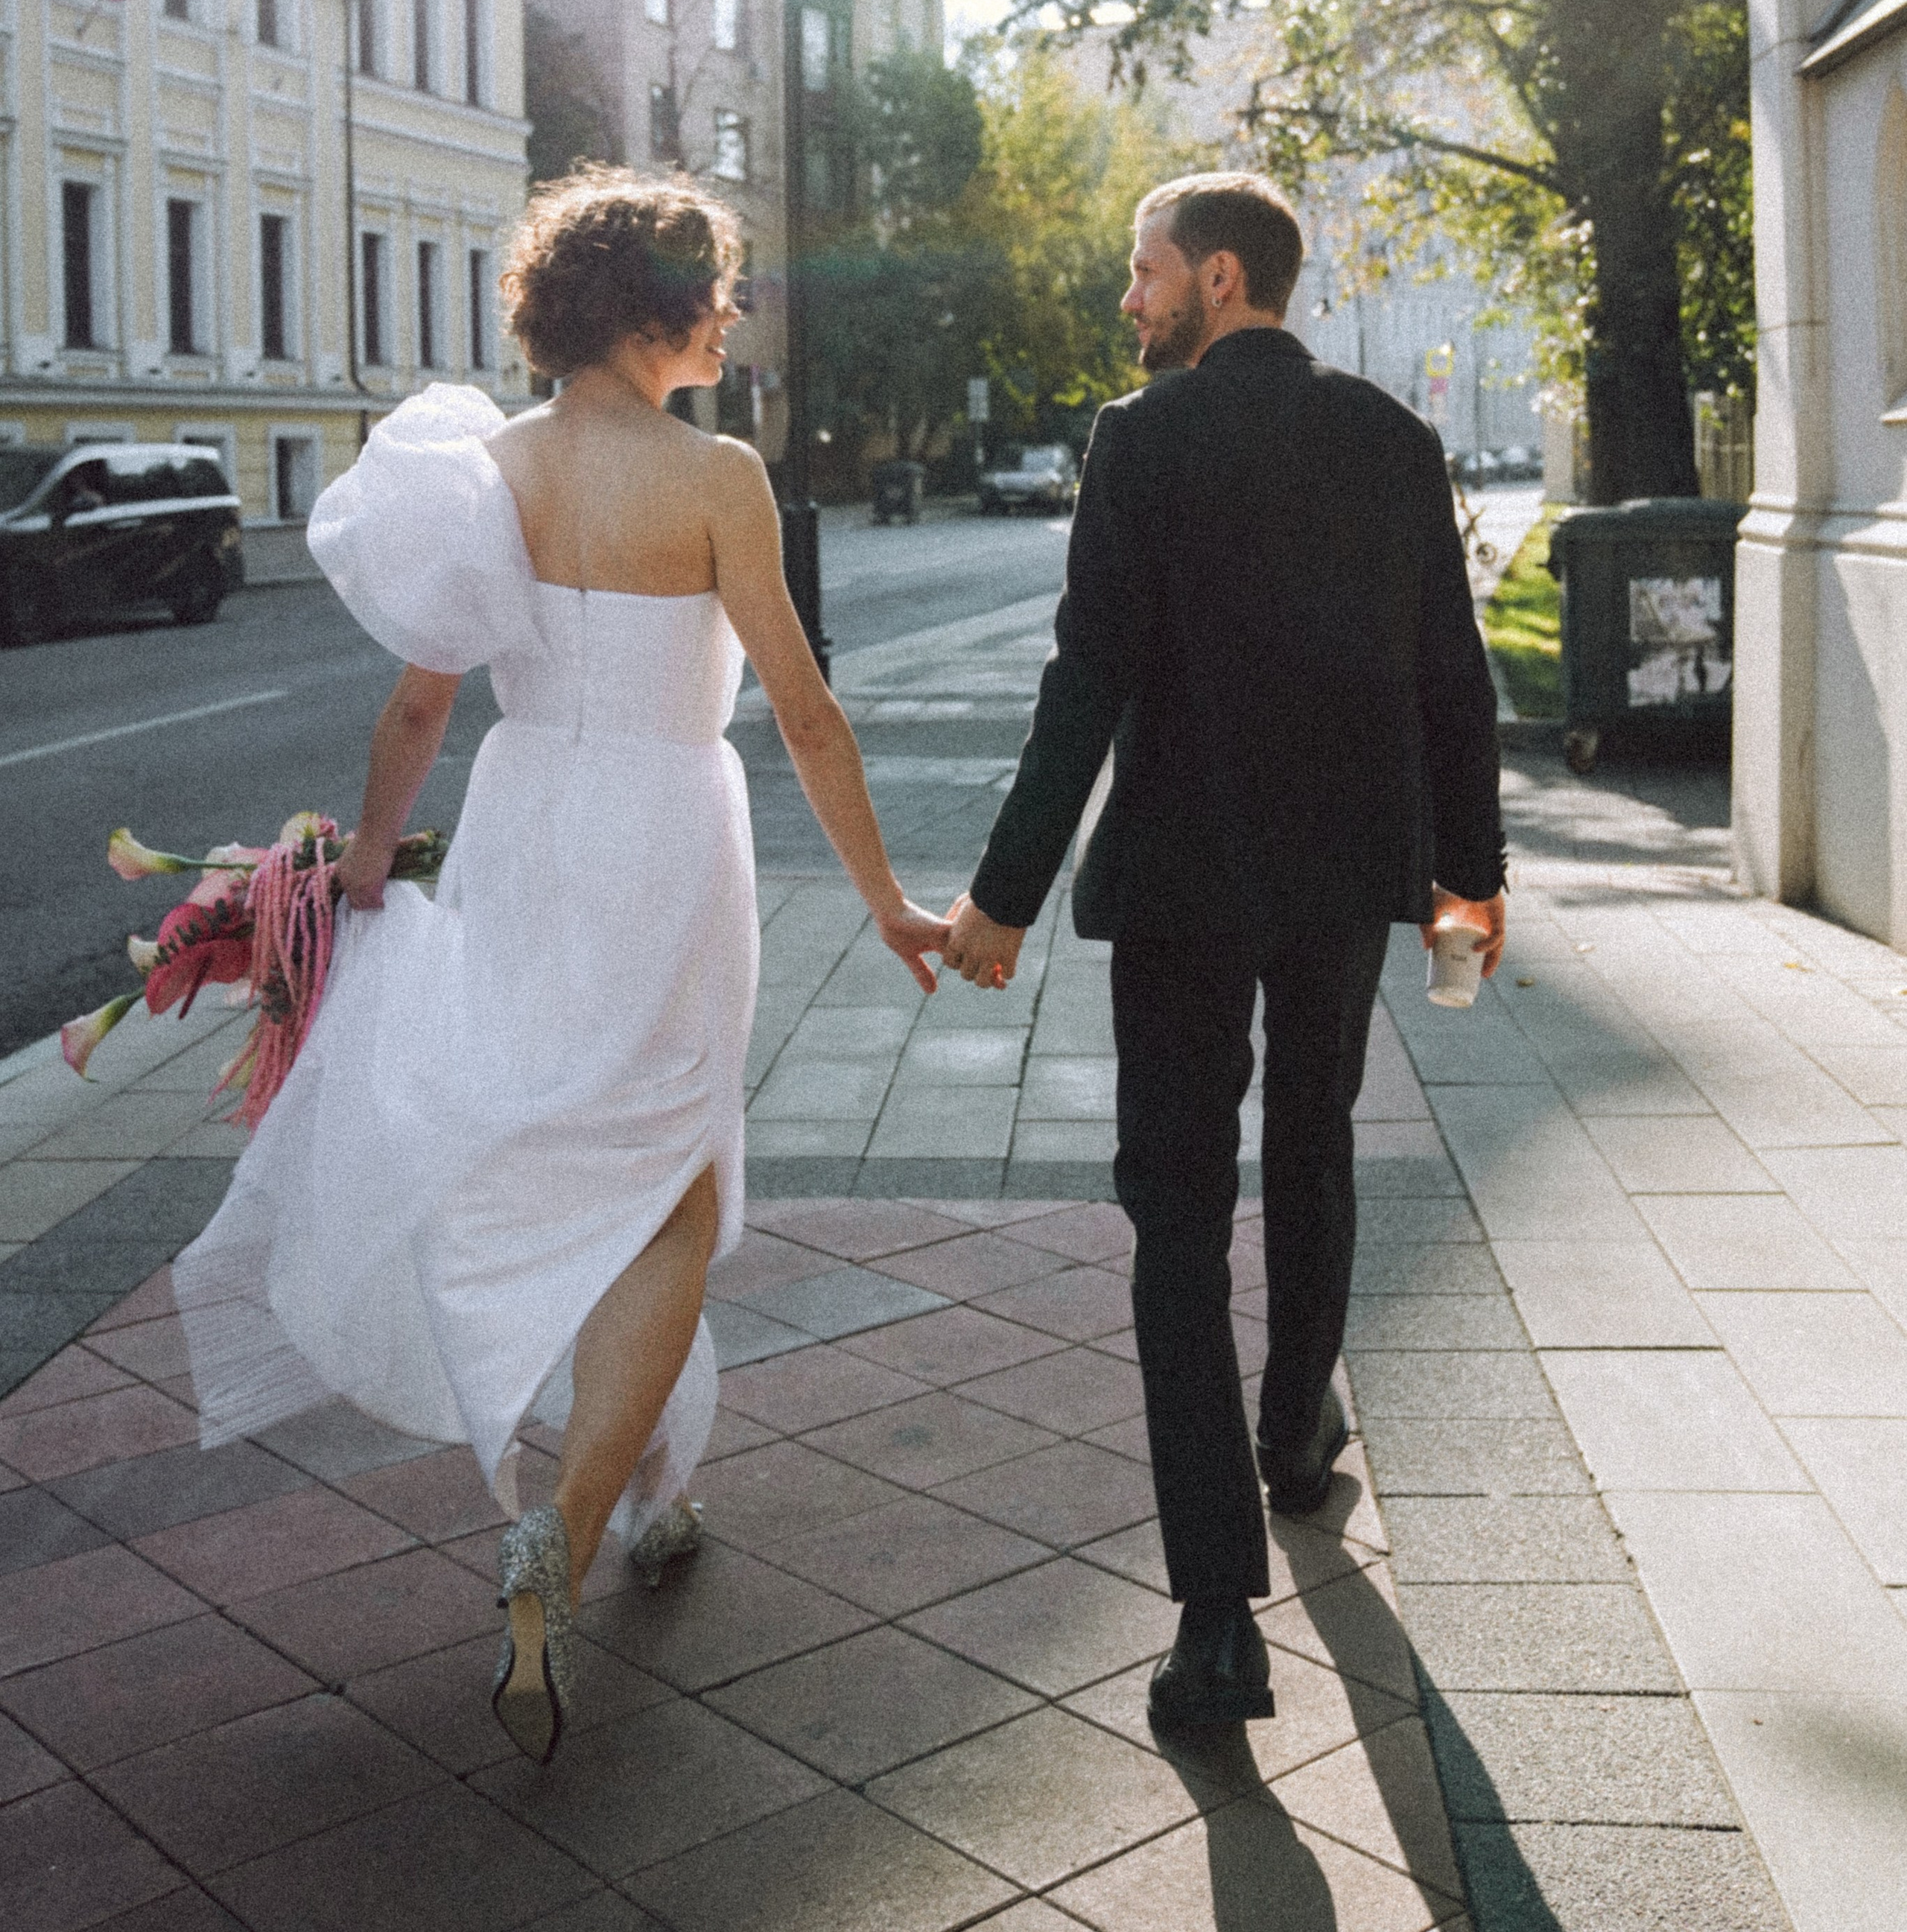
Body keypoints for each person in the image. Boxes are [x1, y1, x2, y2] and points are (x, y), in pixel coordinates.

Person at [171, 168, 948, 1765]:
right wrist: (883, 896)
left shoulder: (489, 471)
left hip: (530, 822)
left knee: (557, 1136)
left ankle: (647, 1483)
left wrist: (367, 864)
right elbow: (804, 709)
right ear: (656, 305)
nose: (730, 314)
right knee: (670, 1185)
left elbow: (415, 708)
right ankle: (567, 1533)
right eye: (717, 287)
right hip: (671, 835)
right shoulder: (718, 475)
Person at [938, 174, 1505, 1733]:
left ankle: (1212, 1614)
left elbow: (1086, 682)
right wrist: (1469, 886)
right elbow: (1451, 683)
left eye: (1144, 273)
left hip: (1184, 881)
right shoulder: (1393, 438)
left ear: (1222, 276)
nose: (1128, 300)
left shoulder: (1143, 441)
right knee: (1312, 1146)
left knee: (1174, 1213)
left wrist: (999, 895)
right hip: (1339, 879)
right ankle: (1296, 1438)